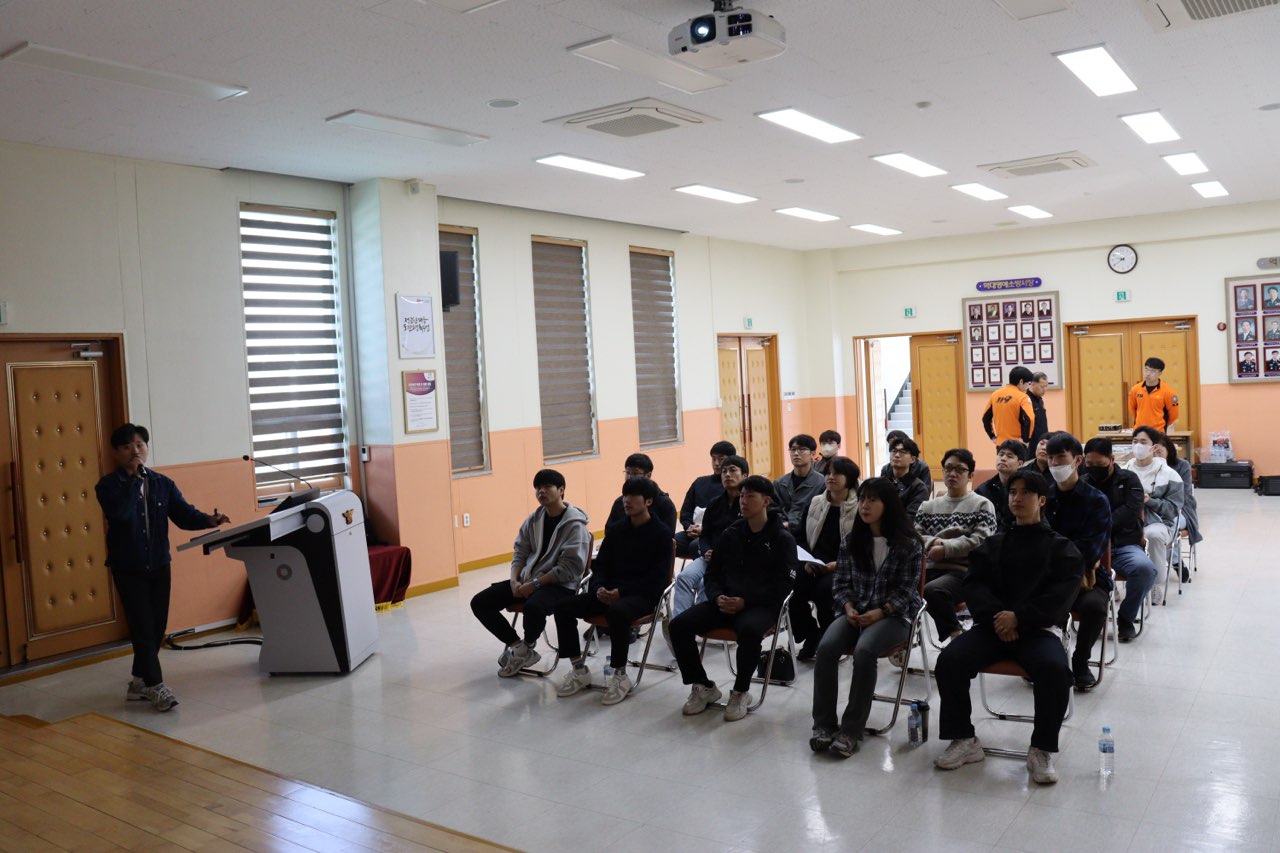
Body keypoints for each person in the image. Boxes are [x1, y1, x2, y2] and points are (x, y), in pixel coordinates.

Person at [933, 471, 1083, 785]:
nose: (1017, 498)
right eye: (1013, 491)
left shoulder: (1061, 548)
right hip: (993, 626)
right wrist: (1000, 618)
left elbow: (1060, 598)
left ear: (1042, 500)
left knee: (1055, 671)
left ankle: (1041, 748)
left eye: (1025, 492)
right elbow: (974, 585)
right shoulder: (994, 544)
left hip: (1038, 629)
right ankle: (964, 739)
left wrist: (1019, 617)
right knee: (950, 660)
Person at [96, 423, 231, 713]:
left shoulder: (162, 483)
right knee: (142, 627)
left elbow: (183, 515)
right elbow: (120, 514)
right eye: (127, 447)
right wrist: (134, 482)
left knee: (156, 627)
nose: (135, 451)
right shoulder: (108, 486)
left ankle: (138, 683)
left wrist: (209, 520)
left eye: (140, 445)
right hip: (128, 567)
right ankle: (156, 686)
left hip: (159, 564)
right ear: (116, 453)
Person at [810, 478, 923, 757]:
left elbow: (907, 591)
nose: (864, 506)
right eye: (862, 499)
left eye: (872, 500)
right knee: (826, 648)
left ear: (888, 505)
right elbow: (840, 584)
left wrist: (881, 612)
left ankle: (851, 730)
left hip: (895, 616)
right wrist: (848, 607)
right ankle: (824, 725)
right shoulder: (851, 541)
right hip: (856, 611)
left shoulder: (909, 544)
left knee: (865, 650)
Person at [670, 476, 797, 722]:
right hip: (724, 602)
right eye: (742, 496)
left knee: (749, 631)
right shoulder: (731, 533)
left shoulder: (782, 539)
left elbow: (784, 585)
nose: (743, 501)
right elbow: (712, 573)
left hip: (759, 605)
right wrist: (717, 596)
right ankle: (703, 686)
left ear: (766, 501)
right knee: (679, 625)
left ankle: (740, 692)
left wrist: (745, 601)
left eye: (750, 496)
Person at [553, 478, 671, 706]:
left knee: (617, 612)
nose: (626, 501)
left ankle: (619, 675)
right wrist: (598, 588)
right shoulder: (617, 530)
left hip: (642, 595)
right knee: (563, 607)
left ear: (648, 501)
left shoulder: (661, 534)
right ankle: (579, 669)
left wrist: (621, 592)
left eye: (633, 496)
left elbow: (656, 579)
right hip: (609, 592)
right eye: (625, 495)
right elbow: (601, 566)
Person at [470, 469, 591, 676]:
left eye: (547, 487)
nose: (541, 491)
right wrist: (514, 581)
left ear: (561, 490)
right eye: (538, 488)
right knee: (480, 602)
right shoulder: (534, 519)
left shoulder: (575, 525)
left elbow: (569, 568)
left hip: (560, 585)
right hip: (528, 580)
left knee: (534, 607)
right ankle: (519, 647)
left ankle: (527, 645)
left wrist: (535, 585)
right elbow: (520, 552)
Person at [1042, 433, 1112, 691]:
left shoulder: (1096, 500)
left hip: (1086, 578)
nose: (1054, 464)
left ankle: (1081, 661)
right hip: (1046, 574)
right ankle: (1039, 658)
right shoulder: (1043, 497)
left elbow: (1090, 551)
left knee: (1094, 607)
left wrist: (1053, 554)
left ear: (1077, 460)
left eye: (1061, 457)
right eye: (1050, 458)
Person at [915, 449, 996, 645]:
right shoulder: (927, 506)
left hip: (963, 572)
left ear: (971, 475)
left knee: (933, 591)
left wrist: (946, 548)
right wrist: (935, 543)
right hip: (928, 568)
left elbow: (981, 540)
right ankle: (899, 641)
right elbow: (914, 537)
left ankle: (956, 637)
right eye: (948, 468)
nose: (952, 474)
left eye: (959, 469)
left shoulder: (982, 505)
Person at [1083, 438, 1157, 642]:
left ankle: (1126, 618)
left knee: (1144, 570)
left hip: (1123, 545)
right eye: (1089, 464)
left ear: (1111, 459)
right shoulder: (1083, 481)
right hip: (1092, 546)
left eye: (1100, 464)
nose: (1094, 468)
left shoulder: (1129, 479)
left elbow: (1131, 511)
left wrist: (1101, 522)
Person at [793, 456, 860, 661]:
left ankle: (830, 640)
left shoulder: (860, 507)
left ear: (849, 479)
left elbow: (863, 547)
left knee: (825, 590)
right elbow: (800, 536)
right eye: (828, 473)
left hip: (844, 566)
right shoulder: (816, 502)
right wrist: (807, 560)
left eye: (836, 474)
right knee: (790, 586)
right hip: (813, 563)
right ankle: (811, 634)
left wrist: (836, 566)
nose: (830, 477)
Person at [672, 455, 747, 616]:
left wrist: (721, 554)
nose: (727, 475)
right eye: (724, 471)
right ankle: (680, 623)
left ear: (744, 476)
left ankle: (701, 622)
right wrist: (706, 550)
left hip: (734, 561)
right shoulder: (714, 503)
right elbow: (705, 535)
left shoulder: (748, 504)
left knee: (705, 584)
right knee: (683, 578)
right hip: (710, 558)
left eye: (732, 470)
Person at [1122, 427, 1185, 606]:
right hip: (1128, 520)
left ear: (1154, 447)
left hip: (1160, 522)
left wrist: (1149, 500)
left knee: (1153, 535)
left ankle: (1154, 584)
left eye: (1143, 442)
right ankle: (1109, 584)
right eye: (1135, 441)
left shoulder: (1170, 475)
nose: (1138, 445)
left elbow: (1173, 510)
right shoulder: (1123, 471)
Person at [676, 441, 735, 558]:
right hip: (693, 532)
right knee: (670, 542)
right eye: (714, 459)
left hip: (716, 534)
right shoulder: (699, 483)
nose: (717, 463)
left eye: (721, 459)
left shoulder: (733, 487)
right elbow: (686, 511)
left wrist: (704, 530)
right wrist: (689, 527)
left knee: (695, 546)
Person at [1153, 433, 1202, 561]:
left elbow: (1183, 494)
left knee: (1168, 524)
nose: (1156, 456)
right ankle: (1172, 561)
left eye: (1159, 452)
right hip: (1153, 509)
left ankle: (1174, 561)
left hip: (1180, 509)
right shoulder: (1148, 467)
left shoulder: (1182, 465)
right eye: (1153, 452)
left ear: (1168, 449)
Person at [603, 452, 677, 533]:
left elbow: (667, 536)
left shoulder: (664, 504)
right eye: (628, 472)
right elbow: (609, 532)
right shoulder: (619, 502)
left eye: (635, 473)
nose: (630, 477)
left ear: (648, 475)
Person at [773, 434, 826, 531]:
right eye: (793, 450)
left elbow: (821, 514)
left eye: (802, 449)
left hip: (808, 531)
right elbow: (773, 509)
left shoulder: (822, 483)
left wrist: (792, 525)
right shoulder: (779, 483)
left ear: (813, 454)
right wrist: (782, 524)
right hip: (782, 531)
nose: (796, 453)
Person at [976, 439, 1026, 533]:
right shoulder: (984, 489)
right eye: (1001, 454)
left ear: (1020, 464)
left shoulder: (1027, 488)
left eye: (1009, 456)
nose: (1003, 458)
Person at [981, 366, 1035, 446]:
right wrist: (1026, 440)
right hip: (1017, 444)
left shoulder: (995, 394)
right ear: (1021, 381)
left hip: (1001, 444)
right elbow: (1030, 419)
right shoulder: (1023, 397)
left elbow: (985, 417)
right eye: (1029, 384)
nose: (1029, 387)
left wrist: (992, 436)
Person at [1128, 358, 1180, 432]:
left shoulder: (1168, 392)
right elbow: (1132, 409)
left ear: (1160, 373)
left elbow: (1174, 415)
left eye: (1152, 371)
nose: (1148, 374)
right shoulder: (1135, 389)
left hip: (1158, 432)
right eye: (1146, 369)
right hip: (1139, 431)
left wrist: (1163, 425)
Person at [885, 436, 930, 521]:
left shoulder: (919, 488)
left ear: (912, 459)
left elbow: (911, 519)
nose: (897, 455)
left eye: (902, 452)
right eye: (894, 451)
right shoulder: (882, 482)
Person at [1027, 372, 1049, 451]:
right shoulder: (1026, 400)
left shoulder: (1040, 400)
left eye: (1046, 386)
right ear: (1032, 384)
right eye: (1042, 386)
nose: (1044, 389)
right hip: (1030, 444)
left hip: (1042, 441)